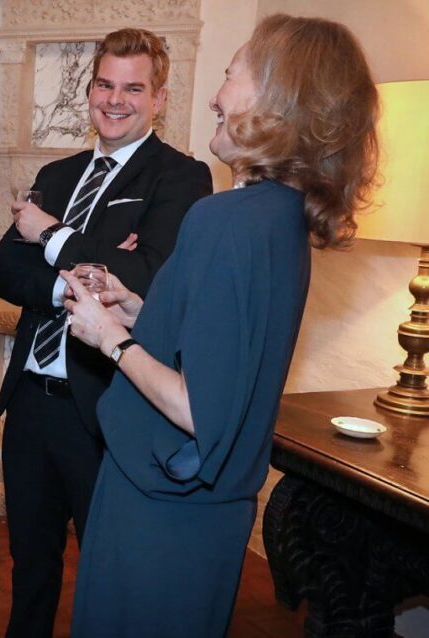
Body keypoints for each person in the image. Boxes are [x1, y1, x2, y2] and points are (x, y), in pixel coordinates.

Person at [61, 14, 379, 637]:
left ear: (276, 97)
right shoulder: (279, 218)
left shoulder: (225, 219)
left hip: (158, 508)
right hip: (207, 512)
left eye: (231, 74)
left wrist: (110, 337)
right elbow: (227, 352)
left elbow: (200, 410)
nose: (214, 94)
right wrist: (140, 310)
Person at [0, 28, 212, 637]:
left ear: (159, 98)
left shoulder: (183, 179)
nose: (115, 100)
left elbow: (148, 274)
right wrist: (74, 279)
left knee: (110, 575)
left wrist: (50, 236)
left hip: (106, 409)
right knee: (30, 565)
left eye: (133, 88)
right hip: (31, 403)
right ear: (89, 90)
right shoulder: (57, 174)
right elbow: (0, 266)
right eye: (105, 84)